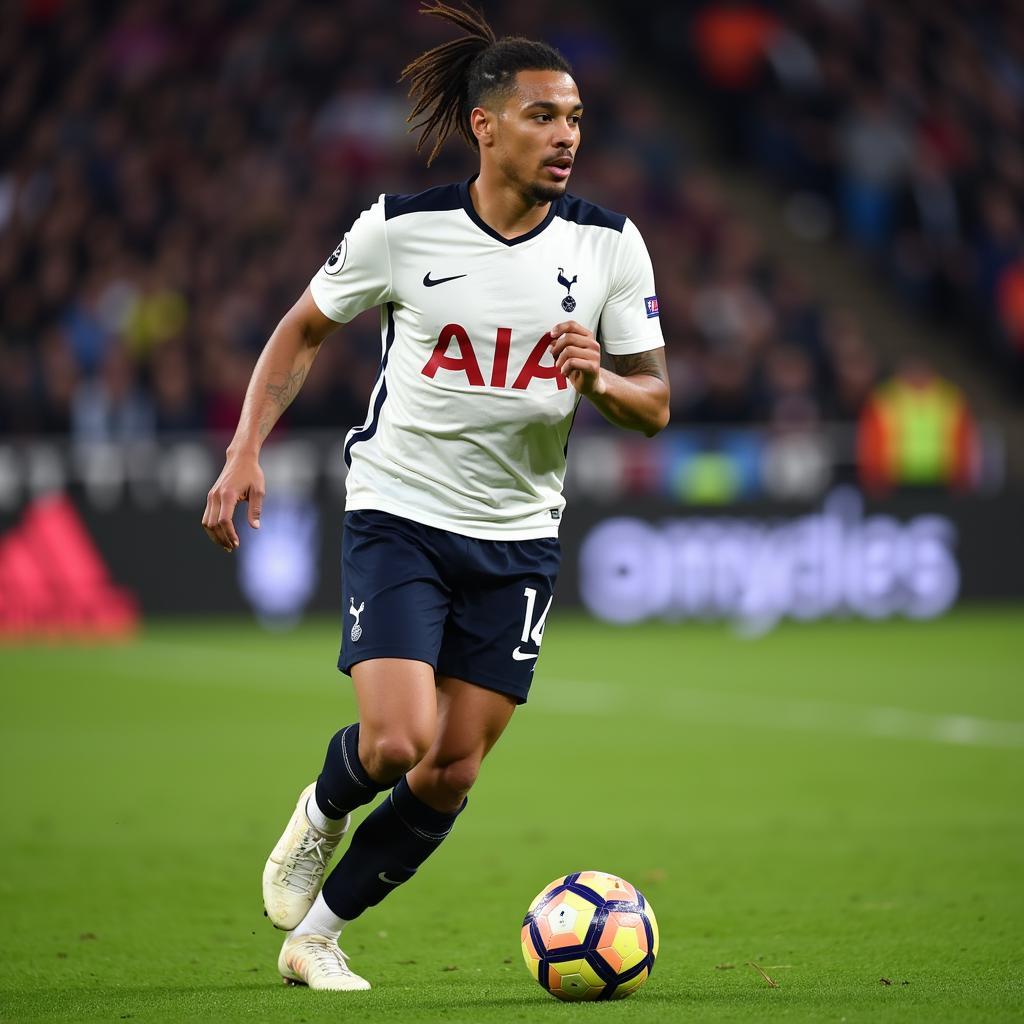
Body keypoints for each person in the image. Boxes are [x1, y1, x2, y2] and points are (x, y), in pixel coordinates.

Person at [201, 0, 669, 992]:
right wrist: (246, 449)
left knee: (451, 769)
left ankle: (316, 937)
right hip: (400, 512)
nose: (566, 136)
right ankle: (321, 813)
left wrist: (599, 383)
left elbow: (654, 402)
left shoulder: (608, 247)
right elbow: (298, 334)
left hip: (519, 538)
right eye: (544, 115)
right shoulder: (399, 231)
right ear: (484, 123)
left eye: (576, 118)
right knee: (397, 738)